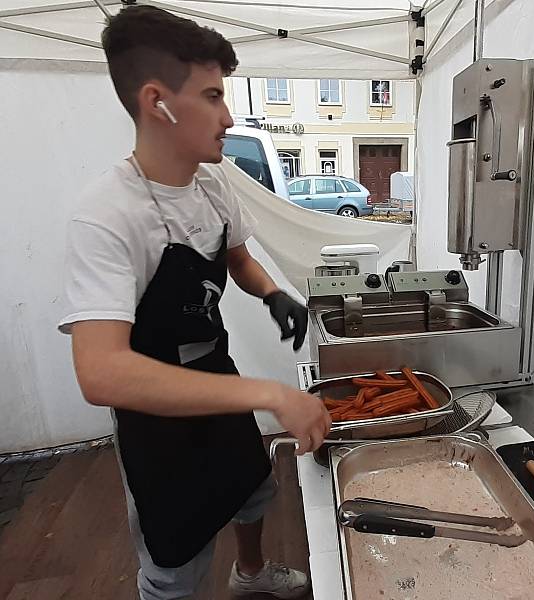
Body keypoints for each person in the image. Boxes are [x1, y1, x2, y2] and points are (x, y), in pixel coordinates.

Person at [58, 5, 331, 599]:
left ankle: (251, 575)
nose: (228, 116)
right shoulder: (108, 214)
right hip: (153, 410)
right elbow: (101, 371)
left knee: (252, 486)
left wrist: (271, 292)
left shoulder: (213, 183)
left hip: (213, 370)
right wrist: (270, 392)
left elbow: (235, 257)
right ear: (158, 102)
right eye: (212, 96)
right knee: (174, 555)